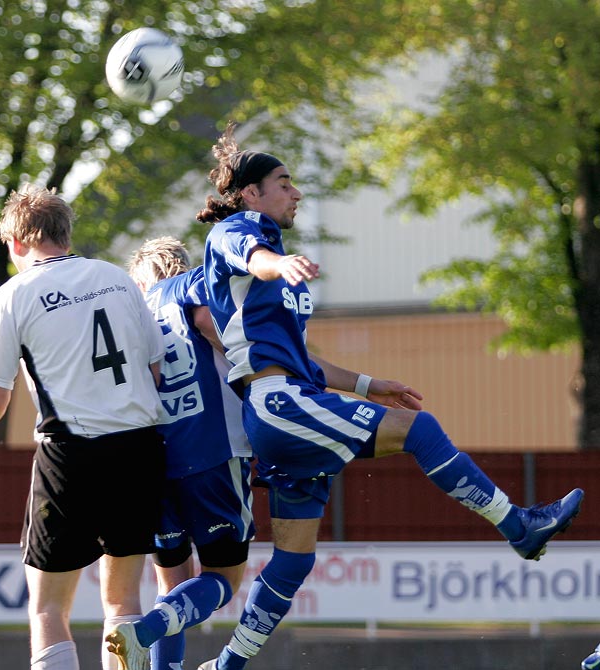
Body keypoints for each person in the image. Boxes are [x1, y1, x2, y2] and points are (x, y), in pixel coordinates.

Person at [194, 123, 585, 670]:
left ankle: (226, 665)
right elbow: (253, 256)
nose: (297, 192)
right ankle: (519, 527)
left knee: (291, 562)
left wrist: (367, 384)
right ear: (252, 193)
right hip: (280, 405)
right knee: (421, 433)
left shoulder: (264, 271)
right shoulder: (240, 232)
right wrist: (277, 264)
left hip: (287, 406)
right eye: (284, 183)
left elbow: (299, 358)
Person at [0, 183, 167, 670]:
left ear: (14, 242)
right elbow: (154, 369)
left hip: (70, 455)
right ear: (66, 232)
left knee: (49, 606)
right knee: (123, 604)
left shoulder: (13, 294)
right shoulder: (117, 279)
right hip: (138, 450)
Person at [123, 236, 254, 670]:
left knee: (171, 581)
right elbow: (208, 323)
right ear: (180, 266)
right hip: (215, 451)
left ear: (139, 282)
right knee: (225, 578)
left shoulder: (133, 314)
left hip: (155, 461)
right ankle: (143, 630)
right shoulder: (190, 289)